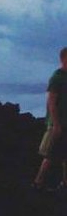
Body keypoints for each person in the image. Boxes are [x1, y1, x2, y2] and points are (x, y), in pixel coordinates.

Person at [33, 47, 67, 190]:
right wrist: (55, 124)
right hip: (57, 123)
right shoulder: (57, 77)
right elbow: (51, 102)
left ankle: (65, 183)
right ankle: (38, 182)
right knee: (51, 155)